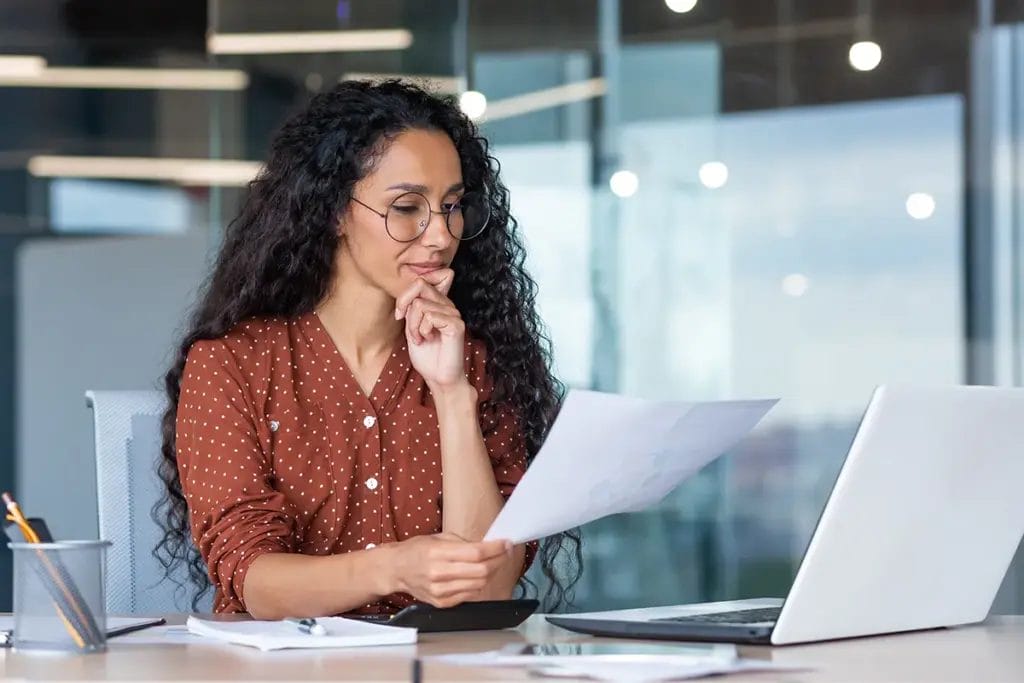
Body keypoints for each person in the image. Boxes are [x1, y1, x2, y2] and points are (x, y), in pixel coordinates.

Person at [155, 80, 580, 619]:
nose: (439, 236)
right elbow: (255, 583)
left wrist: (451, 394)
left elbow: (487, 589)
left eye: (452, 207)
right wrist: (393, 568)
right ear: (333, 209)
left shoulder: (470, 360)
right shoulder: (233, 364)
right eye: (407, 207)